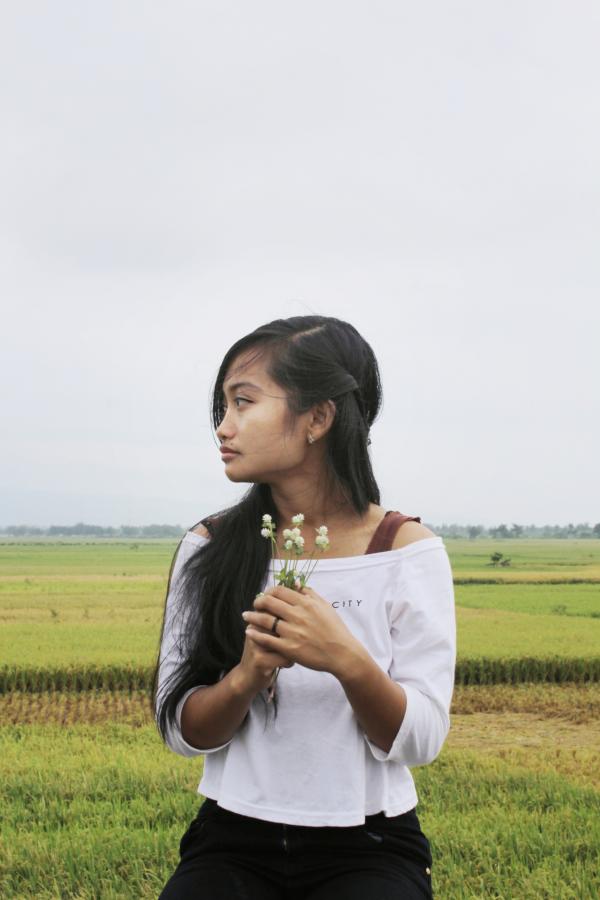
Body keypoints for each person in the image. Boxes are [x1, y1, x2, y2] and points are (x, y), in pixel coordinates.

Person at [153, 315, 456, 899]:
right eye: (221, 407)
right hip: (230, 837)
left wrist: (345, 658)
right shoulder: (209, 548)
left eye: (243, 403)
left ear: (318, 417)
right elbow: (181, 729)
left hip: (370, 844)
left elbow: (422, 741)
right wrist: (245, 676)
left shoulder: (406, 552)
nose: (223, 427)